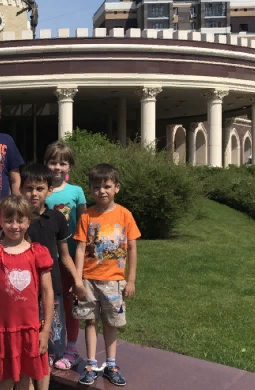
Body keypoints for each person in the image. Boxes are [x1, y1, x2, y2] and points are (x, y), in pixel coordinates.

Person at [0, 195, 54, 390]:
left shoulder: (38, 252)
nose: (14, 226)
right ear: (1, 221)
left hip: (30, 328)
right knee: (4, 380)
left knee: (27, 380)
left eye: (20, 221)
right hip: (2, 328)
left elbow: (47, 291)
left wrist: (45, 330)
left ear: (28, 221)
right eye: (9, 220)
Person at [73, 164, 140, 387]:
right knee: (90, 320)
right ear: (90, 189)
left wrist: (130, 280)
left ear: (116, 188)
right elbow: (80, 249)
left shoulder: (125, 215)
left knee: (111, 322)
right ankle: (91, 364)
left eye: (107, 186)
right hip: (89, 280)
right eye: (96, 187)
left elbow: (132, 248)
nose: (101, 191)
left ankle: (111, 365)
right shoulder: (87, 216)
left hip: (114, 281)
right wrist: (78, 280)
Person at [19, 163, 80, 390]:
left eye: (39, 188)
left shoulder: (56, 219)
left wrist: (77, 280)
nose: (33, 194)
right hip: (22, 290)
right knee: (25, 342)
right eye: (28, 188)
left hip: (51, 288)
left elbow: (64, 254)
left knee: (49, 341)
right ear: (21, 189)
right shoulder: (17, 220)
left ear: (49, 190)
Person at [42, 141, 87, 371]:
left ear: (70, 166)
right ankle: (51, 345)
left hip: (68, 257)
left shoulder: (76, 191)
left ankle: (71, 347)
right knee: (49, 301)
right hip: (45, 257)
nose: (57, 167)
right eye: (53, 162)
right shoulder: (41, 191)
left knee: (70, 302)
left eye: (63, 163)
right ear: (46, 163)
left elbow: (84, 223)